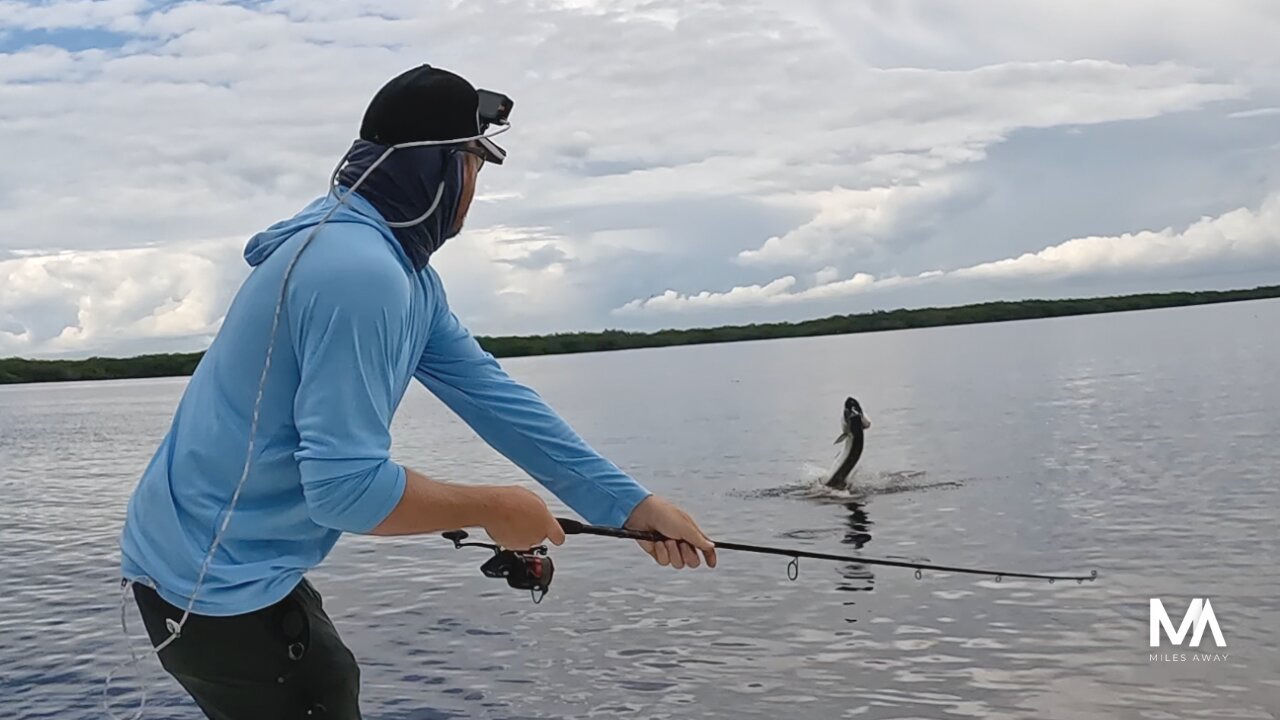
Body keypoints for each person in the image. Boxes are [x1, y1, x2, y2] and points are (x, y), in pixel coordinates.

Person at [117, 64, 717, 720]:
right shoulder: (357, 274)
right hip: (207, 585)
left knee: (332, 679)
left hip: (241, 568)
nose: (475, 187)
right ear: (437, 168)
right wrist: (496, 505)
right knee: (326, 688)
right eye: (475, 164)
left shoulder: (403, 276)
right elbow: (345, 490)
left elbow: (492, 395)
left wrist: (629, 504)